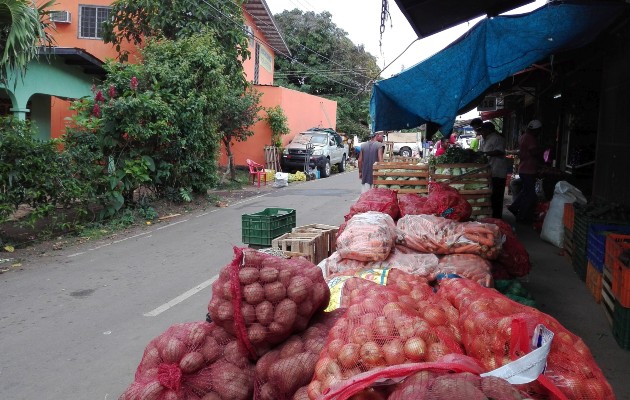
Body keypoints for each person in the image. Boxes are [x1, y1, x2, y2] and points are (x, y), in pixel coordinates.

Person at [509, 119, 543, 222]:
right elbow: (533, 152)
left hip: (524, 168)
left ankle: (514, 208)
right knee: (530, 195)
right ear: (536, 130)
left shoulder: (523, 136)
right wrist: (542, 153)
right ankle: (522, 216)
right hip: (529, 169)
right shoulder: (531, 138)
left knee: (525, 192)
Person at [478, 122, 508, 219]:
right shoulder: (484, 139)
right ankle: (491, 216)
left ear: (488, 130)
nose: (481, 133)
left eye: (482, 130)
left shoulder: (497, 138)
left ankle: (497, 218)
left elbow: (499, 151)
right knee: (490, 195)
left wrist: (484, 153)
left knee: (497, 197)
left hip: (498, 171)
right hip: (489, 171)